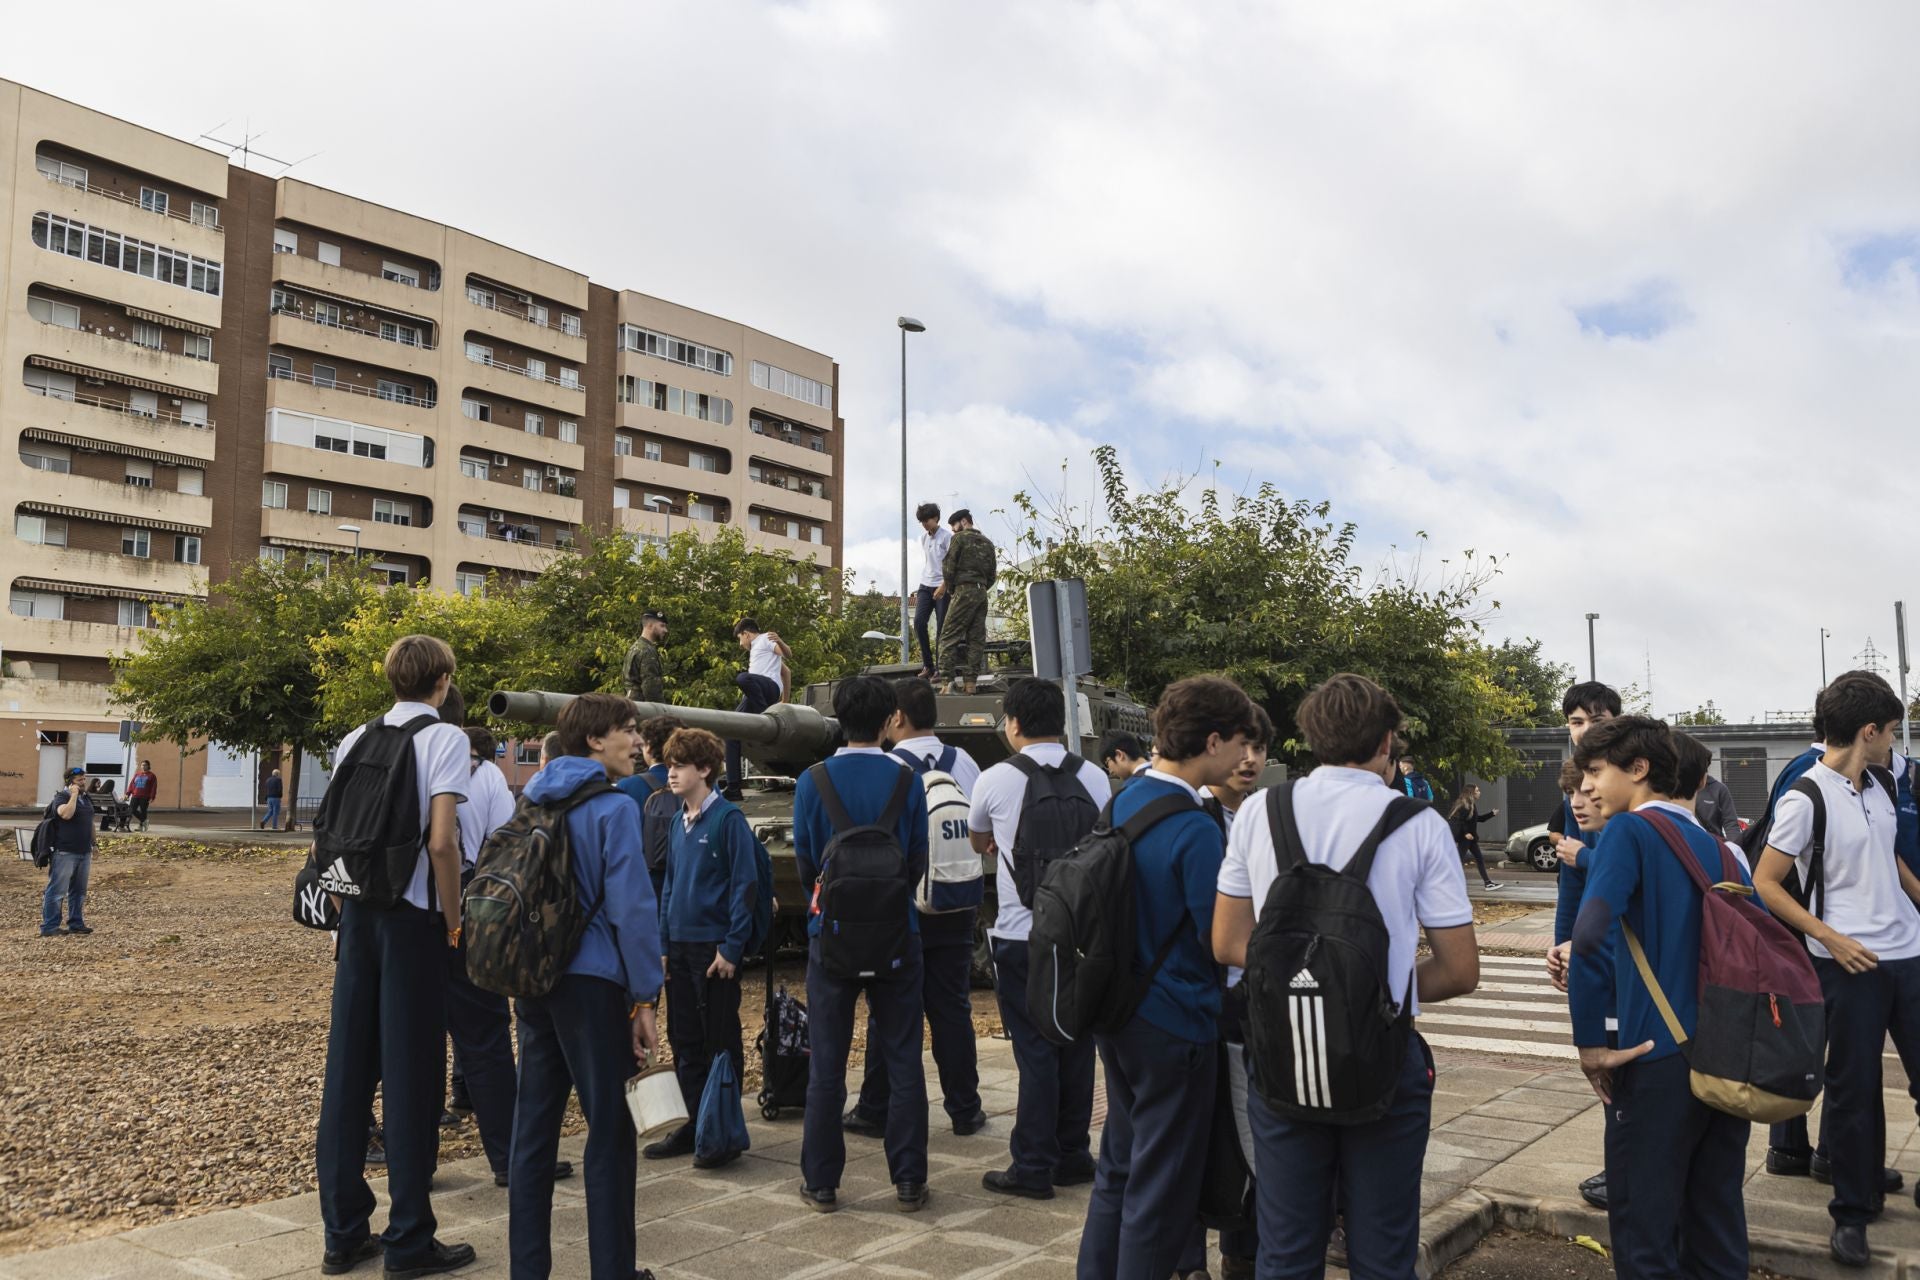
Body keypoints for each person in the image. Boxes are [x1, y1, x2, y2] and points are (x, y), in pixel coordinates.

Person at [1214, 673, 1480, 1279]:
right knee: (1383, 1252)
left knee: (1285, 1249)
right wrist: (1377, 995)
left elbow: (1229, 942)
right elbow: (1461, 969)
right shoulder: (1419, 824)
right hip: (1382, 1060)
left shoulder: (1260, 811)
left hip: (1283, 1055)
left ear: (1311, 739)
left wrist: (1304, 982)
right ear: (1388, 742)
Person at [1076, 675, 1259, 1280]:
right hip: (1175, 1022)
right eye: (1240, 743)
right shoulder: (1195, 827)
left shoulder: (1124, 798)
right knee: (1161, 1189)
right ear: (1213, 741)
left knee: (1119, 1170)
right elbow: (1225, 943)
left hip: (1118, 1012)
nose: (1246, 757)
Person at [1567, 715, 1753, 1279]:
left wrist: (1591, 1044)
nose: (1588, 788)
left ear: (1639, 769)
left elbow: (1591, 932)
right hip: (1725, 1059)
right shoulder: (1723, 852)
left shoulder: (1629, 832)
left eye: (1595, 772)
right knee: (1716, 1224)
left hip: (1656, 1058)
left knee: (1645, 1233)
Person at [315, 635, 473, 1278]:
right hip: (413, 921)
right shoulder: (445, 740)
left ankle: (343, 1232)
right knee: (411, 1075)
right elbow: (442, 842)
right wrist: (455, 921)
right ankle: (409, 1240)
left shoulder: (357, 737)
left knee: (348, 1071)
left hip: (358, 915)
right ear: (441, 681)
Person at [1753, 675, 1920, 1268]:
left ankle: (1870, 1180)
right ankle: (1852, 1213)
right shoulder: (1805, 796)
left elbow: (1890, 855)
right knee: (1853, 1093)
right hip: (1848, 964)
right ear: (1868, 731)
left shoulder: (1878, 782)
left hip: (1909, 954)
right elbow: (1765, 882)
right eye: (1892, 731)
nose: (1895, 742)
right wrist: (1827, 936)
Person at [509, 693, 664, 1280]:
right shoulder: (612, 806)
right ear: (595, 741)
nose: (637, 741)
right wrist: (646, 996)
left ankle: (527, 1271)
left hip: (533, 977)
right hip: (593, 982)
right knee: (609, 1131)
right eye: (627, 730)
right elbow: (632, 909)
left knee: (534, 1129)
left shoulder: (531, 800)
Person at [791, 675, 931, 1213]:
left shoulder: (813, 780)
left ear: (837, 716)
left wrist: (833, 908)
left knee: (827, 1063)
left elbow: (807, 864)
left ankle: (822, 1181)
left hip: (832, 940)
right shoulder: (908, 780)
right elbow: (917, 858)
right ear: (886, 719)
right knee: (903, 1061)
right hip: (899, 935)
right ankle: (910, 1180)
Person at [971, 677, 1110, 1201]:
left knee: (1034, 1051)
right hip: (1080, 936)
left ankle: (1031, 1165)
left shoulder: (995, 778)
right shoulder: (1095, 776)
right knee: (1076, 1045)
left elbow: (981, 839)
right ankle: (1073, 1154)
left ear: (1013, 723)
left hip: (1019, 933)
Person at [848, 677, 987, 1138]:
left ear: (898, 718)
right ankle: (965, 1109)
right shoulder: (964, 762)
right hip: (957, 900)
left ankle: (875, 1107)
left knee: (889, 1008)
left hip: (904, 905)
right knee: (952, 1007)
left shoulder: (889, 767)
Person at [645, 727, 757, 1169]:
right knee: (684, 1039)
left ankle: (722, 1128)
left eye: (680, 766)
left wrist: (732, 947)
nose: (671, 773)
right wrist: (663, 942)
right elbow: (670, 885)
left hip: (715, 951)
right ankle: (693, 1124)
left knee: (719, 1040)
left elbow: (744, 886)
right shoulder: (676, 821)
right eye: (669, 765)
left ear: (704, 769)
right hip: (681, 948)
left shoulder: (729, 821)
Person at [1547, 679, 1621, 1211]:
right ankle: (1623, 1164)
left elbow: (1625, 875)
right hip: (1593, 956)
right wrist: (1560, 947)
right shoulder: (1577, 792)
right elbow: (1571, 885)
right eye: (1576, 722)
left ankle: (1632, 1167)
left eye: (1594, 720)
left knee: (1626, 1067)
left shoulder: (1629, 796)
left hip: (1630, 958)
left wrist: (1583, 857)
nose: (1584, 731)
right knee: (1605, 1068)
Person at [617, 714, 683, 905]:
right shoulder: (704, 784)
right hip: (690, 887)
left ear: (648, 747)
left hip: (646, 887)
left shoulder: (628, 786)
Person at [725, 618, 790, 800]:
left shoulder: (765, 639)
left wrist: (781, 643)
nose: (740, 644)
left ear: (746, 634)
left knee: (743, 678)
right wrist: (785, 702)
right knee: (730, 733)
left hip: (767, 689)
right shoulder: (761, 656)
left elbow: (787, 654)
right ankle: (733, 789)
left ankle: (764, 714)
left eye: (740, 639)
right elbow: (786, 672)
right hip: (755, 694)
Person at [935, 509, 996, 695]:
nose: (953, 531)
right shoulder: (988, 543)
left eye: (954, 526)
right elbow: (992, 575)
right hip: (981, 592)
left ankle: (947, 682)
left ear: (963, 521)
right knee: (976, 639)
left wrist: (953, 590)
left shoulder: (959, 539)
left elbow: (948, 567)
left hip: (963, 590)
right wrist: (982, 586)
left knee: (947, 636)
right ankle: (971, 683)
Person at [39, 767, 95, 937]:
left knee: (79, 891)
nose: (83, 782)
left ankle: (76, 923)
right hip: (65, 852)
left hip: (84, 852)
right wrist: (73, 795)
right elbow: (66, 814)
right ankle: (49, 927)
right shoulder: (61, 797)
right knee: (56, 891)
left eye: (84, 779)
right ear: (70, 782)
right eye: (79, 780)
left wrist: (94, 843)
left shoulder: (86, 798)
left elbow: (90, 822)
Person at [912, 502, 952, 680]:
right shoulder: (923, 538)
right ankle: (927, 665)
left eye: (926, 520)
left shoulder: (947, 537)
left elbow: (952, 565)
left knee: (941, 629)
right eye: (921, 521)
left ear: (935, 518)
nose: (924, 524)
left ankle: (939, 669)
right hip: (925, 585)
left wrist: (943, 586)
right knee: (919, 623)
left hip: (943, 586)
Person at [1448, 785, 1502, 890]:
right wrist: (1465, 833)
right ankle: (1445, 883)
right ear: (1471, 793)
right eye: (1477, 791)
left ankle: (1488, 883)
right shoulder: (1464, 805)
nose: (1479, 792)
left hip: (1471, 838)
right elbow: (1459, 820)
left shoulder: (1471, 805)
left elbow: (1478, 819)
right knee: (1458, 860)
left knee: (1479, 859)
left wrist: (1492, 814)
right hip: (1466, 838)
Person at [622, 610, 668, 704]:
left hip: (631, 705)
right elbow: (651, 689)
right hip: (642, 709)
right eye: (662, 626)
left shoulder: (635, 647)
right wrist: (663, 712)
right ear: (650, 625)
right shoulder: (647, 650)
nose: (665, 630)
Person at [1693, 770, 1741, 840]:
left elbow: (1731, 824)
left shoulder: (1719, 789)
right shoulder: (1677, 789)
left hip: (1713, 844)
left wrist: (1734, 847)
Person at [127, 759, 158, 831]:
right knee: (132, 810)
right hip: (135, 795)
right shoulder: (137, 775)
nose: (143, 766)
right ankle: (145, 821)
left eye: (145, 765)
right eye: (142, 765)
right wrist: (128, 794)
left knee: (143, 811)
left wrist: (152, 797)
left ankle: (141, 826)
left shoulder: (152, 776)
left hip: (145, 796)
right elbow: (132, 785)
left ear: (148, 766)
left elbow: (154, 787)